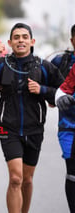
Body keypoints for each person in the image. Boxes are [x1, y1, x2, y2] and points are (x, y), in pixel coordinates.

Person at [0, 23, 64, 213]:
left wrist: (43, 90)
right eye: (17, 37)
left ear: (31, 41)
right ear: (10, 42)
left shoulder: (43, 67)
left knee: (27, 180)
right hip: (8, 128)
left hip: (34, 129)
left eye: (24, 37)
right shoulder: (1, 65)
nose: (21, 40)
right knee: (15, 178)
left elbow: (64, 93)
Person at [55, 63, 75, 212]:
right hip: (69, 128)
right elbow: (62, 90)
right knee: (73, 172)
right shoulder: (63, 61)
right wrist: (60, 98)